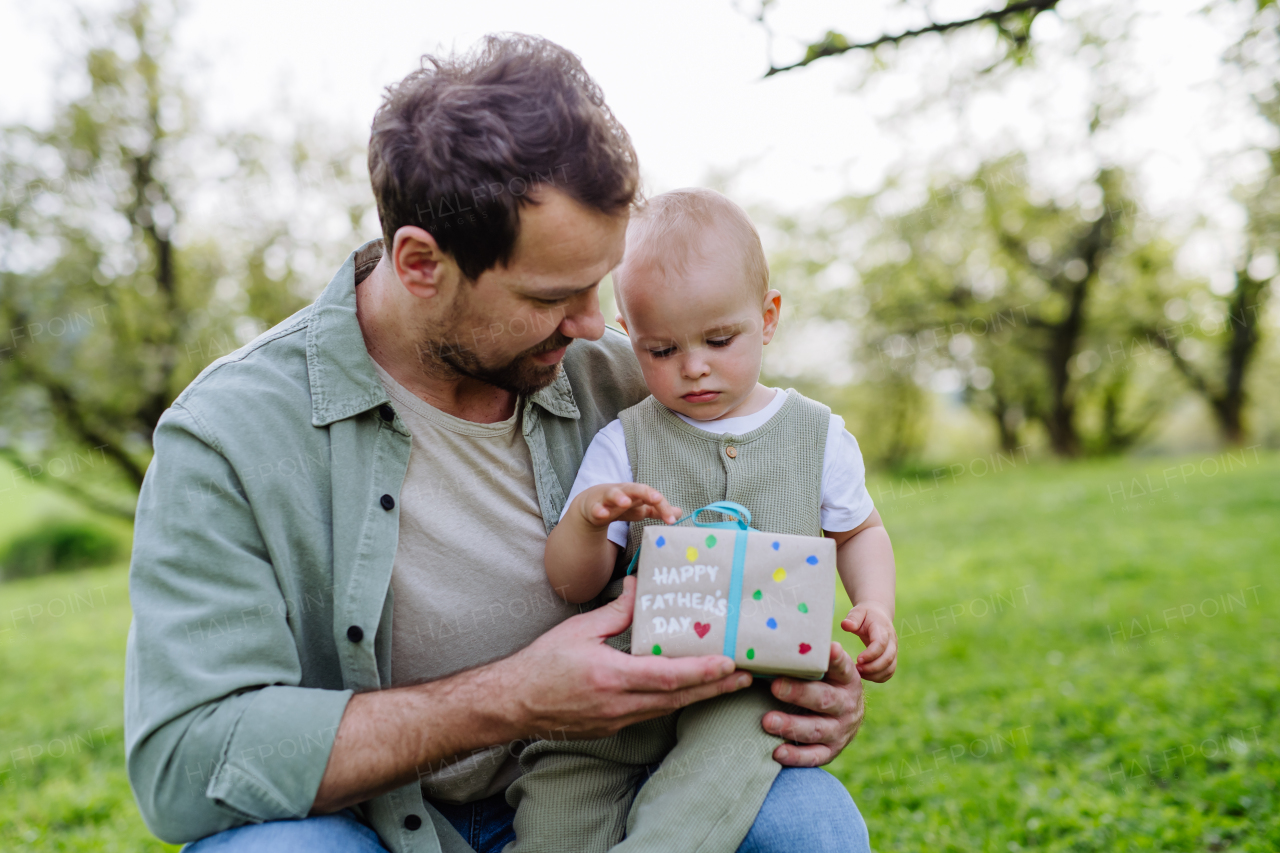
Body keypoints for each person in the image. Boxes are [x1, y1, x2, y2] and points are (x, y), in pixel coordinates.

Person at [124, 35, 869, 853]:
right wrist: (512, 697)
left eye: (601, 283)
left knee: (809, 820)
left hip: (619, 793)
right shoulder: (228, 434)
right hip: (368, 826)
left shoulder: (630, 381)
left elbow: (777, 540)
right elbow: (186, 759)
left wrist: (809, 686)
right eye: (553, 295)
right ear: (420, 264)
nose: (594, 326)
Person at [504, 189, 896, 853]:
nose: (694, 367)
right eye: (661, 350)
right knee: (556, 802)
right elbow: (572, 583)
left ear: (767, 318)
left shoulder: (816, 435)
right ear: (631, 337)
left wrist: (876, 606)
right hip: (618, 692)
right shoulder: (626, 441)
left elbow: (860, 530)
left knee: (714, 781)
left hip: (747, 682)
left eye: (720, 339)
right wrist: (589, 524)